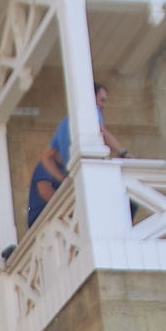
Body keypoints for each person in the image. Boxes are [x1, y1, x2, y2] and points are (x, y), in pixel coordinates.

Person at [26, 83, 124, 227]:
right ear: (92, 98)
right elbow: (45, 190)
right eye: (102, 100)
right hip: (43, 220)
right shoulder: (90, 111)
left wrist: (65, 179)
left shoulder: (64, 124)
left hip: (63, 215)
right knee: (123, 202)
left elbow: (45, 155)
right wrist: (124, 152)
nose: (103, 105)